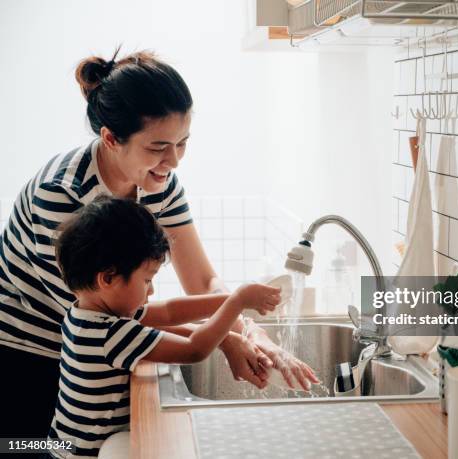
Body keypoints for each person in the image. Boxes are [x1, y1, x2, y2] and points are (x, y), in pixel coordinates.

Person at [0, 48, 318, 441]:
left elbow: (202, 282)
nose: (174, 160)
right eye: (158, 147)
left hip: (95, 355)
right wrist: (225, 337)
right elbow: (109, 316)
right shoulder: (62, 194)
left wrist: (249, 329)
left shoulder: (159, 184)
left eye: (182, 143)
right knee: (27, 450)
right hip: (27, 354)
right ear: (111, 138)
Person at [44, 195, 283, 458]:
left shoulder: (84, 313)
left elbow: (170, 313)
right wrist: (238, 302)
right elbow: (194, 349)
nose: (152, 289)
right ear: (108, 278)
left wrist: (232, 301)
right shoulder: (111, 334)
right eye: (147, 280)